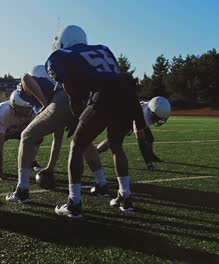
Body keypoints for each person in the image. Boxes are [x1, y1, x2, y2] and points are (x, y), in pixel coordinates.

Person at [46, 25, 146, 218]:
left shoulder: (60, 55)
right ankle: (125, 197)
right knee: (116, 145)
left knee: (77, 144)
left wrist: (78, 117)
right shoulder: (103, 48)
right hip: (128, 95)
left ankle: (74, 202)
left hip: (105, 96)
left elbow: (72, 91)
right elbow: (110, 75)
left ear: (63, 40)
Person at [5, 64, 111, 203]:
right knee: (84, 142)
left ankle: (22, 190)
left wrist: (45, 104)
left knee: (26, 136)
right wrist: (50, 167)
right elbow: (57, 139)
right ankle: (102, 184)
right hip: (78, 100)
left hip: (62, 100)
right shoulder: (52, 87)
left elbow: (25, 78)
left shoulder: (31, 88)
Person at [97, 96, 171, 171]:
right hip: (123, 118)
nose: (157, 120)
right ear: (151, 112)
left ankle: (151, 155)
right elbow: (140, 142)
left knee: (149, 138)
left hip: (133, 116)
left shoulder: (152, 106)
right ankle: (96, 152)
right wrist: (148, 163)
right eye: (156, 117)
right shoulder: (144, 116)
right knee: (114, 141)